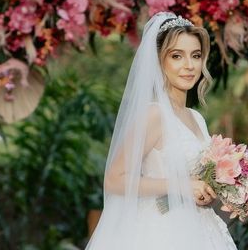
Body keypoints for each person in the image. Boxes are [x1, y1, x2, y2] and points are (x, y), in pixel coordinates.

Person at [85, 12, 238, 249]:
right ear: (159, 61)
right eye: (177, 56)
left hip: (201, 228)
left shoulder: (196, 118)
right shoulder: (154, 114)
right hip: (162, 231)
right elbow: (114, 180)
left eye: (195, 56)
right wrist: (181, 186)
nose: (189, 65)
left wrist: (207, 188)